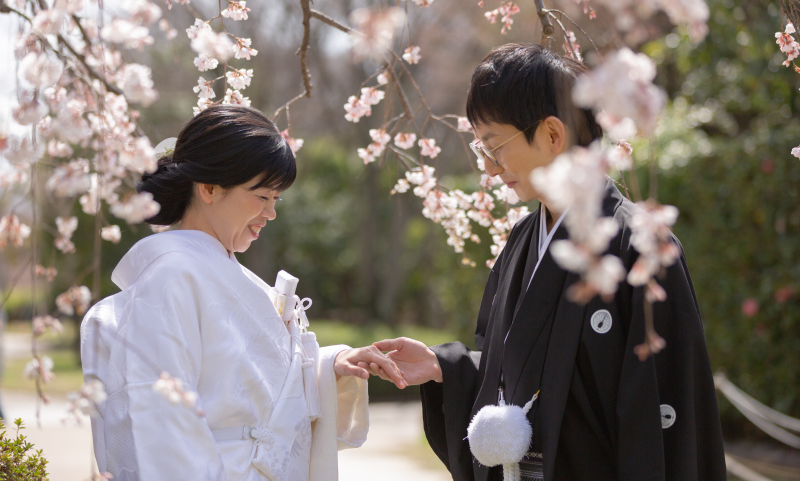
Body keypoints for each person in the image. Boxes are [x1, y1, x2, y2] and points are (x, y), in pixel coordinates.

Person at [372, 44, 727, 481]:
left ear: (552, 134)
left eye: (493, 145)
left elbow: (666, 404)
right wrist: (446, 368)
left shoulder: (641, 247)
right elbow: (524, 370)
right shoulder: (523, 239)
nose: (488, 168)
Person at [80, 105, 406, 481]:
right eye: (261, 196)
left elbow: (261, 385)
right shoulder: (171, 275)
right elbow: (164, 416)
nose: (270, 213)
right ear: (209, 188)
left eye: (276, 199)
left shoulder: (224, 272)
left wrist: (329, 367)